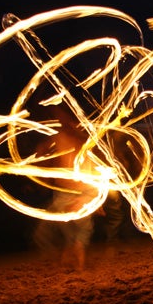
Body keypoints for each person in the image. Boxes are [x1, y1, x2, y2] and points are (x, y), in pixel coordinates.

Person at [31, 109, 98, 270]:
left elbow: (93, 168)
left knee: (78, 233)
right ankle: (68, 262)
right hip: (67, 191)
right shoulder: (59, 138)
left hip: (81, 190)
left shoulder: (82, 140)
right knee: (61, 233)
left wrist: (91, 197)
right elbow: (43, 155)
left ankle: (74, 264)